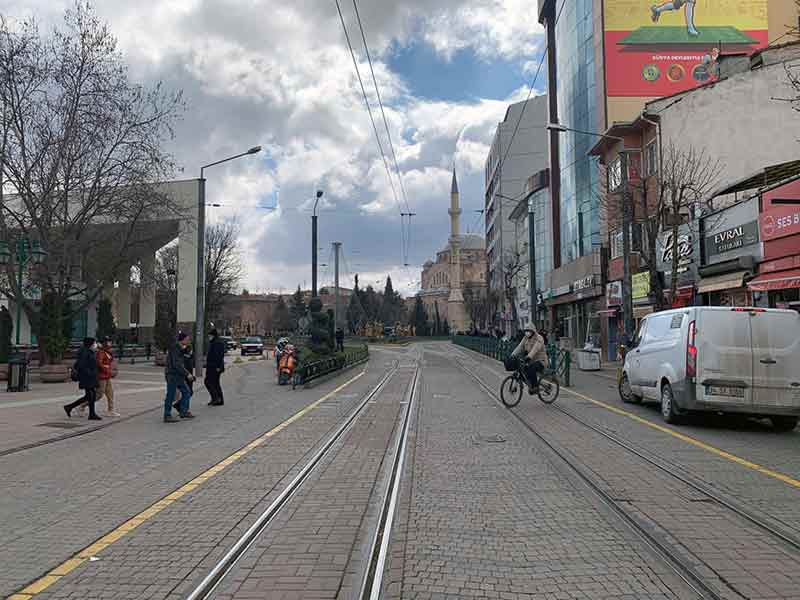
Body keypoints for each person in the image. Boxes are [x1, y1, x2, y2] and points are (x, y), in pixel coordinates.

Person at [64, 338, 101, 420]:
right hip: (87, 377)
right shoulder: (84, 352)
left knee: (91, 395)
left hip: (90, 377)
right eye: (94, 343)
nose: (95, 344)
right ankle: (91, 414)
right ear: (90, 344)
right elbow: (82, 365)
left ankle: (70, 407)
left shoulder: (89, 351)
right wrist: (90, 373)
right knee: (90, 395)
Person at [164, 332, 195, 422]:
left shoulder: (180, 348)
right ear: (183, 339)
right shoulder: (175, 347)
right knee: (170, 395)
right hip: (172, 375)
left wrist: (186, 352)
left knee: (187, 392)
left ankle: (183, 411)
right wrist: (187, 374)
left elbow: (181, 361)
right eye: (187, 339)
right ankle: (167, 415)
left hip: (178, 376)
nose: (189, 341)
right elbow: (176, 364)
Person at [511, 326, 547, 394]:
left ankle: (535, 387)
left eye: (529, 331)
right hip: (530, 360)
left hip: (541, 361)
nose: (527, 333)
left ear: (533, 331)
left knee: (531, 368)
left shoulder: (539, 338)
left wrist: (529, 357)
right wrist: (512, 355)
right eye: (526, 331)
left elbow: (535, 349)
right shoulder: (525, 338)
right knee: (525, 370)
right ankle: (533, 384)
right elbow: (520, 347)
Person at [96, 337, 119, 417]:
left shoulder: (107, 351)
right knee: (99, 394)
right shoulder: (101, 352)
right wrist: (107, 369)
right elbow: (99, 363)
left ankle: (111, 410)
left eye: (110, 341)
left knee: (110, 394)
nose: (110, 343)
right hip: (102, 376)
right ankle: (82, 405)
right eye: (108, 342)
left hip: (107, 376)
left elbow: (110, 361)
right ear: (104, 343)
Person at [205, 328, 226, 406]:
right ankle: (218, 399)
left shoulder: (217, 343)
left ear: (213, 335)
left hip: (214, 367)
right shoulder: (215, 342)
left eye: (210, 336)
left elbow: (219, 356)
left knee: (209, 382)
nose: (209, 337)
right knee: (215, 383)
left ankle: (216, 398)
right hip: (213, 366)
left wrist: (218, 367)